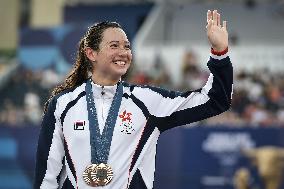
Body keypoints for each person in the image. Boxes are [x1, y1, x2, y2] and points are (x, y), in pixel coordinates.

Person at [34, 10, 233, 189]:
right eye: (114, 46)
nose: (123, 52)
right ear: (91, 53)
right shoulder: (63, 105)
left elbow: (214, 100)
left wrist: (220, 53)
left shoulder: (147, 101)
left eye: (127, 47)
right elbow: (47, 175)